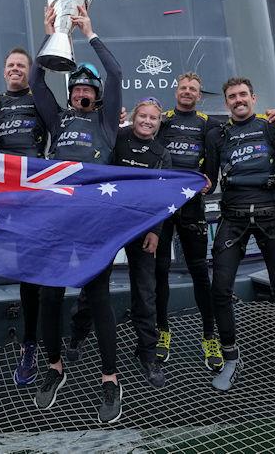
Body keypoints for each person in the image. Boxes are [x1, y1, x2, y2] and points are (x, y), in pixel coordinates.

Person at [31, 4, 123, 423]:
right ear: (70, 95)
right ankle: (54, 368)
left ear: (98, 97)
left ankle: (109, 379)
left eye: (89, 89)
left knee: (99, 298)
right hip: (56, 219)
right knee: (50, 295)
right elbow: (36, 82)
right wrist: (52, 35)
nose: (83, 93)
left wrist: (90, 32)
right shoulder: (58, 121)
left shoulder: (105, 124)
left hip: (94, 223)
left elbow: (117, 74)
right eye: (77, 89)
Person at [203, 77, 275, 403]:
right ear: (226, 102)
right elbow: (208, 181)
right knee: (220, 288)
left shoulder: (273, 128)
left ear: (252, 98)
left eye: (243, 95)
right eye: (232, 97)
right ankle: (230, 357)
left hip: (271, 216)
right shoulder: (220, 135)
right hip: (233, 217)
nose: (238, 100)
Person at [0, 47, 47, 386]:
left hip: (31, 198)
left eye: (21, 65)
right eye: (11, 65)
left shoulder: (41, 101)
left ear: (29, 71)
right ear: (4, 71)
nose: (15, 69)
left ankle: (30, 347)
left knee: (29, 277)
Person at [154, 72, 223, 370]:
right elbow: (136, 131)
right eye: (183, 88)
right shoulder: (163, 119)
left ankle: (209, 335)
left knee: (199, 272)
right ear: (176, 91)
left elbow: (229, 142)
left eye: (192, 89)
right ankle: (162, 331)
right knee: (160, 271)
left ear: (199, 95)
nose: (187, 92)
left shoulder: (208, 123)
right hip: (164, 207)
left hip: (193, 207)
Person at [112, 98, 172, 387]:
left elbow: (162, 198)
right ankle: (77, 336)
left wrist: (156, 231)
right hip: (110, 223)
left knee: (145, 293)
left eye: (153, 118)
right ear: (133, 117)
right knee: (94, 283)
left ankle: (147, 354)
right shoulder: (116, 137)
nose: (147, 121)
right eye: (143, 116)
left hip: (143, 227)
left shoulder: (162, 153)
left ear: (160, 122)